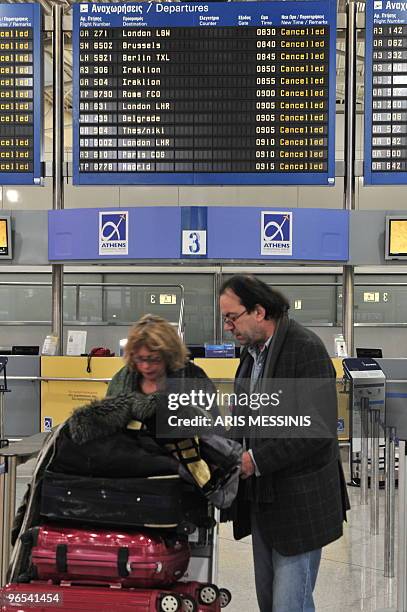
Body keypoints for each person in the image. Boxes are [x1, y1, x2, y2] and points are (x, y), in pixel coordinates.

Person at [219, 275, 349, 612]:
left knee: (290, 605)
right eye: (225, 319)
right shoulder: (250, 356)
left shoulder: (304, 348)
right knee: (269, 600)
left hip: (299, 502)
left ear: (259, 311)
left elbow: (315, 428)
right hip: (263, 500)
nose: (227, 327)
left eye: (232, 317)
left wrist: (254, 460)